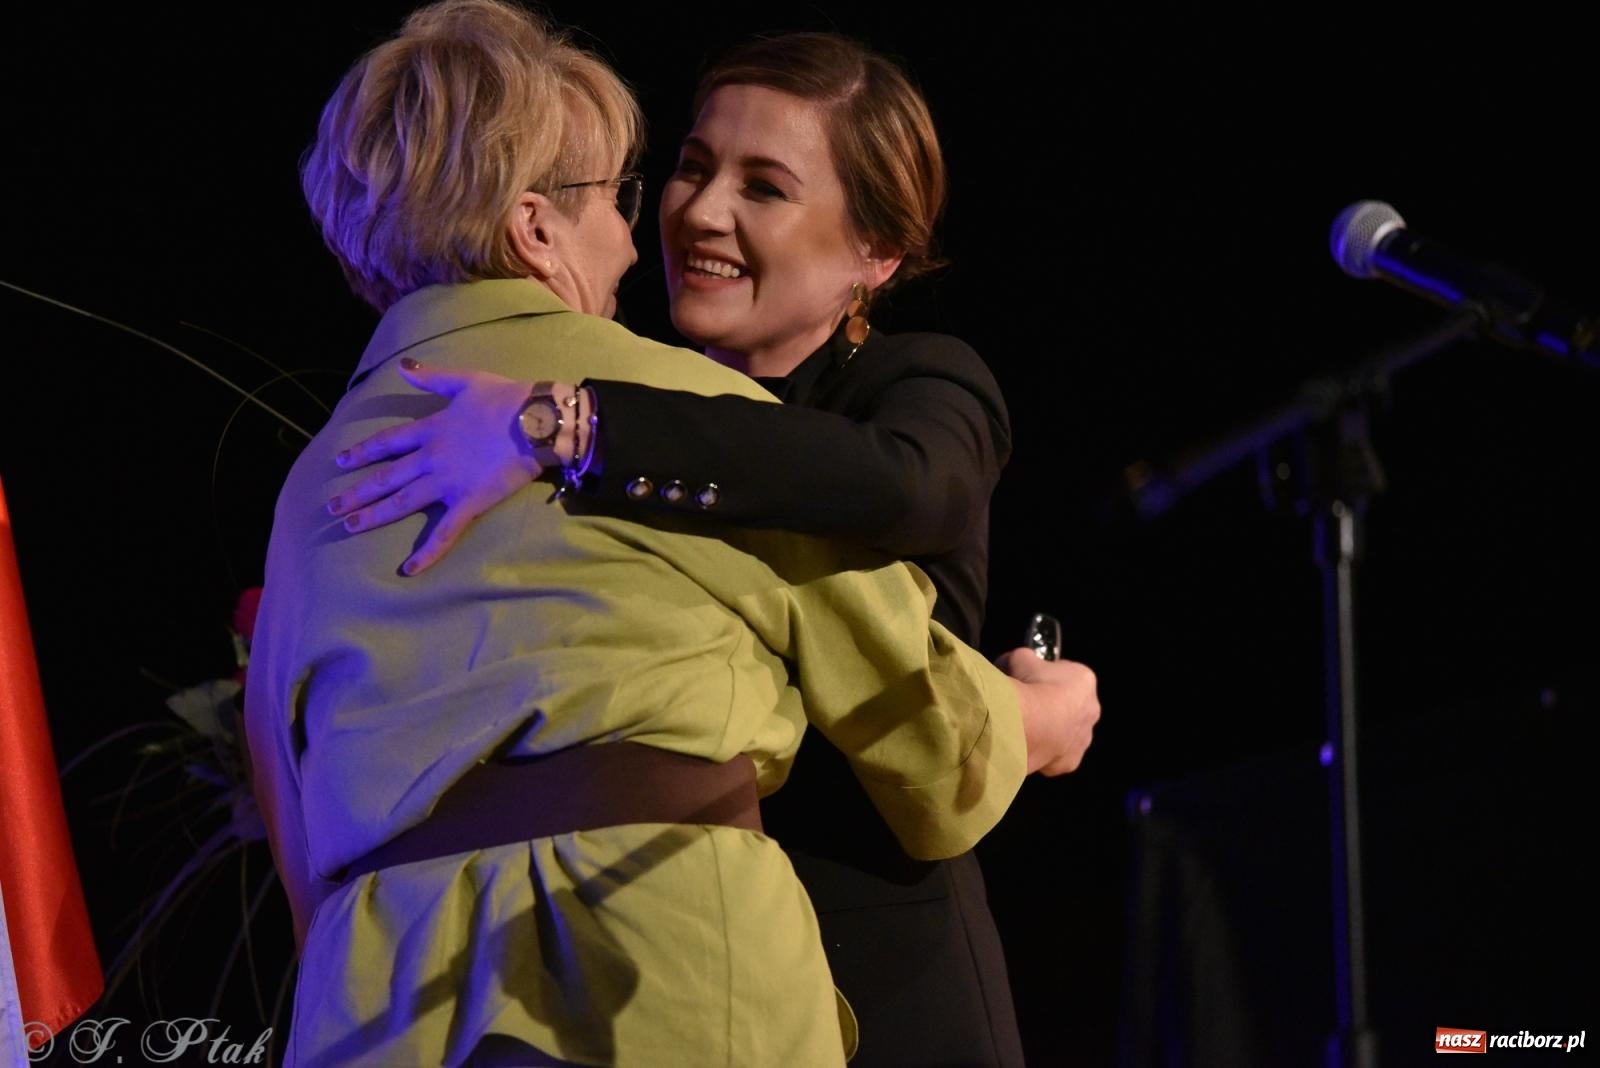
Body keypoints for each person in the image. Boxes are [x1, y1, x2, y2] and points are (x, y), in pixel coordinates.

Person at [245, 3, 1091, 1065]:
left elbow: (286, 787)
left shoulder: (319, 472)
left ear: (877, 255)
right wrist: (1039, 720)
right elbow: (932, 733)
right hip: (661, 968)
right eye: (650, 184)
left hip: (388, 996)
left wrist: (563, 420)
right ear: (534, 227)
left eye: (763, 187)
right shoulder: (658, 391)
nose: (670, 222)